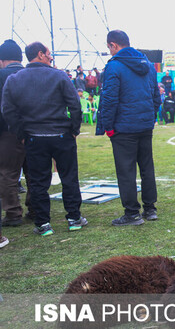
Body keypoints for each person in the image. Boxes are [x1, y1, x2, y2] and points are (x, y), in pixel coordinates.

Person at [1, 41, 86, 236]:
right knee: (68, 178)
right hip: (60, 136)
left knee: (39, 181)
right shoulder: (58, 76)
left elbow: (8, 110)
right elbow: (74, 105)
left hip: (35, 138)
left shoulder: (14, 79)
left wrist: (21, 133)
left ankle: (43, 223)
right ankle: (73, 218)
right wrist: (74, 129)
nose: (51, 57)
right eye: (48, 53)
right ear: (40, 54)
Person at [96, 30, 160, 226]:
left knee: (126, 171)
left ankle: (132, 213)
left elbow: (109, 99)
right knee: (147, 168)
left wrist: (108, 126)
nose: (109, 51)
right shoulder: (148, 65)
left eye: (109, 47)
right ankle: (150, 209)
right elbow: (156, 97)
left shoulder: (114, 66)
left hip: (124, 128)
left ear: (113, 45)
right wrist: (150, 117)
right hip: (143, 125)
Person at [0, 39, 27, 228]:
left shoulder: (2, 76)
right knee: (35, 172)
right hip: (35, 130)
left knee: (8, 173)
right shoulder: (30, 73)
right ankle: (36, 209)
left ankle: (13, 213)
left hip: (8, 131)